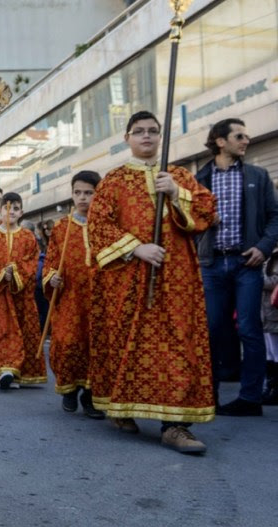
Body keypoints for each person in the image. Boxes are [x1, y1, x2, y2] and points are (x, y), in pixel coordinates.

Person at [87, 111, 215, 454]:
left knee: (178, 344)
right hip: (130, 280)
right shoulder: (113, 181)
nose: (146, 136)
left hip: (177, 280)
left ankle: (176, 425)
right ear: (127, 137)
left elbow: (207, 212)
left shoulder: (178, 175)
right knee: (131, 344)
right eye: (139, 131)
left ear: (161, 137)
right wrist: (136, 247)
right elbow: (98, 227)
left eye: (153, 131)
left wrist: (176, 194)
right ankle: (124, 407)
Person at [194, 118, 278, 416]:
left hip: (247, 264)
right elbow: (182, 222)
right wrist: (203, 222)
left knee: (249, 329)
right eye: (239, 135)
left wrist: (263, 247)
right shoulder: (198, 179)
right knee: (212, 330)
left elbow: (274, 217)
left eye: (247, 135)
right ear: (220, 141)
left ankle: (250, 399)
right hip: (211, 263)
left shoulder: (258, 174)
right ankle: (209, 396)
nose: (246, 140)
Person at [43, 171, 105, 419]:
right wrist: (51, 277)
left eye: (88, 193)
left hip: (98, 297)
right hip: (69, 298)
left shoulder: (104, 224)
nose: (82, 198)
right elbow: (51, 261)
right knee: (68, 343)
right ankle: (69, 389)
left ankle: (90, 396)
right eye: (77, 193)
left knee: (95, 345)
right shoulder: (61, 227)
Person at [0, 192, 44, 389]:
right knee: (2, 331)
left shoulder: (28, 237)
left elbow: (32, 261)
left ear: (21, 212)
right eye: (7, 207)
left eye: (15, 208)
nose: (11, 211)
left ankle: (21, 371)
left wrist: (14, 272)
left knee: (24, 330)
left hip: (21, 294)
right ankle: (5, 369)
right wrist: (0, 274)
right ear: (0, 211)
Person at [262, 248, 278, 405]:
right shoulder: (270, 253)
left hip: (274, 311)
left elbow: (274, 281)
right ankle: (270, 386)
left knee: (275, 350)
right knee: (270, 352)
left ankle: (275, 389)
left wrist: (256, 278)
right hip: (266, 311)